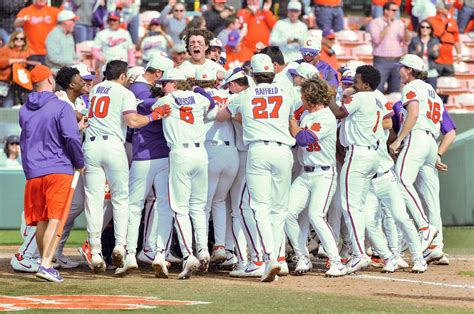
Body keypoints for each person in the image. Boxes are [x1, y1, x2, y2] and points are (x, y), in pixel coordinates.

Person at [83, 59, 170, 273]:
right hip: (113, 145)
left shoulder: (95, 90)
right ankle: (120, 245)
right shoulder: (125, 92)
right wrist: (153, 115)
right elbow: (133, 122)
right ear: (123, 76)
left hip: (91, 146)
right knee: (121, 198)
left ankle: (94, 251)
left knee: (93, 201)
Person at [225, 54, 296, 282]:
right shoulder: (287, 92)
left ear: (253, 76)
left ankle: (269, 258)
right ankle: (279, 257)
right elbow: (291, 118)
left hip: (258, 150)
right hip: (283, 150)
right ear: (272, 73)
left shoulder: (245, 94)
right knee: (279, 209)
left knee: (260, 208)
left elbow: (226, 114)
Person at [19, 64, 85, 282]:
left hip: (34, 171)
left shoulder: (24, 109)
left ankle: (43, 262)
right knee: (56, 219)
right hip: (58, 167)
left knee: (42, 220)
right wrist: (79, 162)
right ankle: (46, 264)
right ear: (49, 80)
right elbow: (70, 137)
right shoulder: (61, 107)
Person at [151, 68, 215, 280]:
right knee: (198, 207)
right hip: (201, 153)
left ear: (175, 83)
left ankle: (189, 254)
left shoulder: (165, 100)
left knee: (180, 209)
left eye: (166, 82)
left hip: (180, 153)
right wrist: (196, 87)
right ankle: (203, 250)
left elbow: (151, 109)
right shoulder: (199, 97)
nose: (162, 86)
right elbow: (211, 102)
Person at [117, 55, 175, 277]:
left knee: (134, 206)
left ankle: (130, 252)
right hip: (162, 158)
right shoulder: (165, 103)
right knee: (163, 205)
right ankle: (157, 252)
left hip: (142, 157)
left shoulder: (142, 99)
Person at [285, 77, 347, 277]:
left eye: (303, 95)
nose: (301, 98)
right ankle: (302, 256)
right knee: (288, 213)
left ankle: (336, 261)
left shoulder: (325, 116)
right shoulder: (306, 115)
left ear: (310, 97)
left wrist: (291, 120)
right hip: (305, 173)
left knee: (316, 216)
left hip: (324, 174)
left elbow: (304, 139)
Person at [328, 65, 382, 274]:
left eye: (357, 81)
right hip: (371, 154)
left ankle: (359, 254)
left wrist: (330, 94)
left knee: (349, 206)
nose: (353, 84)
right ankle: (359, 251)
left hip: (358, 154)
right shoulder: (374, 97)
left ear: (366, 84)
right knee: (356, 207)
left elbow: (337, 112)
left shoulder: (362, 97)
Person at [388, 54, 441, 254]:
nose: (399, 71)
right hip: (431, 142)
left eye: (402, 67)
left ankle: (424, 227)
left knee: (401, 180)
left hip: (417, 136)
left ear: (409, 70)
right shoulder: (431, 89)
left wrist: (399, 139)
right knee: (429, 195)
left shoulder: (411, 87)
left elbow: (413, 114)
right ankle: (435, 245)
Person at [368, 1, 410, 94]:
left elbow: (406, 40)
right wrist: (387, 26)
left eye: (396, 10)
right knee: (378, 89)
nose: (395, 12)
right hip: (381, 61)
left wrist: (406, 29)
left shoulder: (399, 23)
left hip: (397, 60)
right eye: (393, 10)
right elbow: (376, 40)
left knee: (395, 91)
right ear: (386, 11)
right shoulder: (376, 22)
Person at [14, 0, 60, 65]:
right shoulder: (26, 11)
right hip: (31, 51)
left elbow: (64, 24)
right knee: (33, 74)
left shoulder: (54, 11)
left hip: (49, 51)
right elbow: (16, 24)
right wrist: (23, 20)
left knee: (48, 74)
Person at [428, 1, 462, 79]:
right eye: (446, 8)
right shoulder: (430, 21)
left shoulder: (452, 21)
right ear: (439, 9)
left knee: (448, 85)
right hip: (435, 61)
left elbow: (456, 39)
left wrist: (459, 54)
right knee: (433, 87)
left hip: (449, 62)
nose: (449, 9)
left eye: (449, 8)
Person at [0, 30, 33, 108]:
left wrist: (25, 63)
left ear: (24, 41)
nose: (19, 40)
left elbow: (34, 63)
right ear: (13, 39)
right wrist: (12, 61)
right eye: (16, 38)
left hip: (23, 84)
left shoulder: (29, 52)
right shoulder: (5, 50)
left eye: (21, 39)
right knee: (7, 105)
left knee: (25, 106)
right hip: (7, 82)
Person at [408, 20, 440, 90]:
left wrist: (435, 51)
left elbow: (436, 56)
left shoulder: (435, 40)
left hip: (431, 72)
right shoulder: (415, 40)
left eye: (427, 27)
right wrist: (416, 51)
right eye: (423, 27)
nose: (425, 29)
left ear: (431, 30)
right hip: (418, 73)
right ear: (420, 29)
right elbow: (410, 56)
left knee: (431, 95)